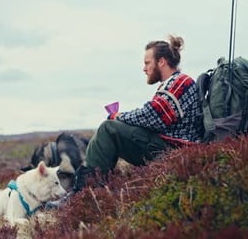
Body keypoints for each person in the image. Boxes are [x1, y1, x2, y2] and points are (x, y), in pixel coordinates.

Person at [46, 34, 202, 208]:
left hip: (173, 151)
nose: (144, 68)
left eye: (147, 63)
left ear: (162, 62)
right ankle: (89, 190)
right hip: (168, 146)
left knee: (109, 128)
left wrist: (118, 117)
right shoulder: (174, 83)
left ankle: (83, 196)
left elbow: (153, 116)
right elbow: (153, 116)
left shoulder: (180, 82)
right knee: (110, 130)